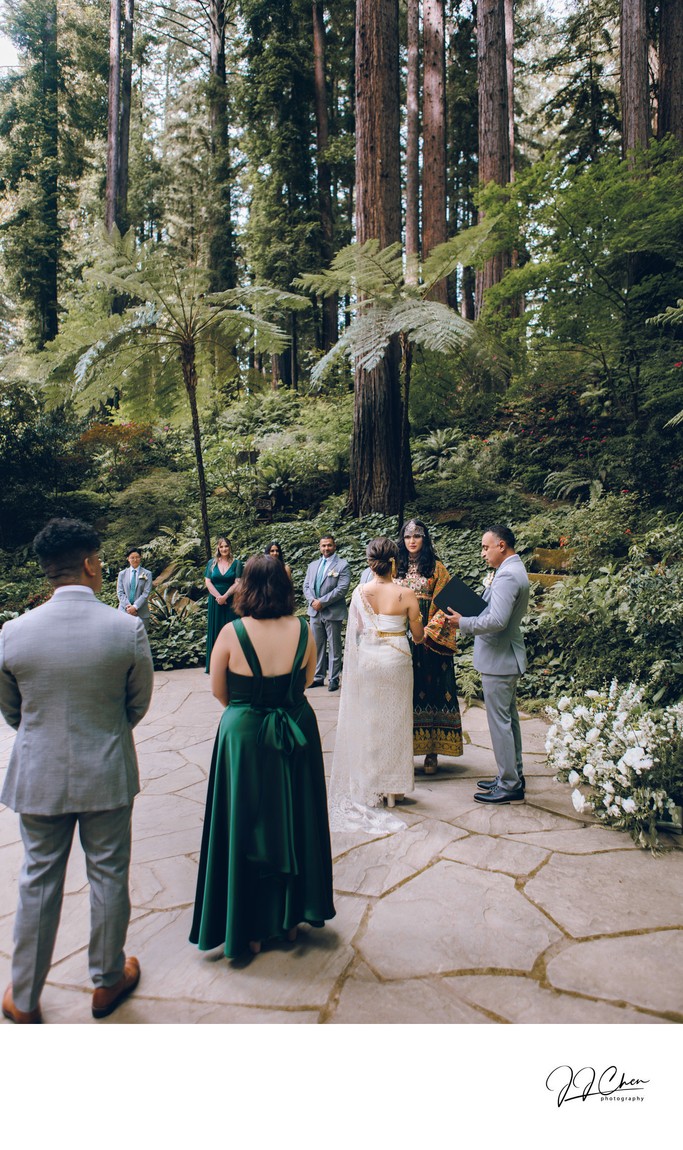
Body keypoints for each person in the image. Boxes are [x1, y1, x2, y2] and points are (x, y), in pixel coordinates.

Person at [0, 518, 154, 1023]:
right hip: (106, 770)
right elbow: (137, 704)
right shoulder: (125, 629)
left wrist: (43, 735)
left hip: (38, 774)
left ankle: (24, 998)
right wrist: (105, 731)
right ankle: (107, 982)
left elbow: (13, 711)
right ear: (89, 564)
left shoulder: (13, 633)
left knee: (37, 879)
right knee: (108, 875)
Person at [190, 554, 335, 958]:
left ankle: (249, 929)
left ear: (246, 587)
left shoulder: (231, 633)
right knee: (296, 818)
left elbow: (219, 691)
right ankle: (290, 921)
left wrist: (249, 710)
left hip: (244, 736)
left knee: (246, 823)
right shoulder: (303, 629)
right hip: (296, 729)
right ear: (285, 588)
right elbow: (306, 680)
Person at [328, 537, 424, 833]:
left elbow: (357, 630)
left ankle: (372, 785)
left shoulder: (360, 593)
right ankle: (394, 790)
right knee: (396, 723)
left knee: (370, 722)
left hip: (369, 662)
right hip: (396, 661)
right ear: (394, 561)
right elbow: (418, 636)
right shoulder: (406, 593)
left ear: (370, 563)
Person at [446, 524, 530, 805]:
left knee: (500, 724)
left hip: (499, 658)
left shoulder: (507, 575)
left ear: (501, 546)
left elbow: (497, 620)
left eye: (485, 547)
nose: (483, 553)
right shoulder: (511, 570)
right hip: (504, 656)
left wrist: (463, 622)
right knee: (509, 721)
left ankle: (509, 784)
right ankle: (513, 775)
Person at [394, 519, 464, 774]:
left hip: (430, 642)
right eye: (407, 536)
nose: (412, 541)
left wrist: (426, 632)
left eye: (417, 536)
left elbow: (448, 605)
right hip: (401, 638)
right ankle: (402, 752)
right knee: (404, 695)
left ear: (425, 539)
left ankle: (432, 752)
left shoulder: (437, 568)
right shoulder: (395, 567)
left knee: (432, 690)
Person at [302, 534, 351, 691]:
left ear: (334, 546)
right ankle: (318, 677)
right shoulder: (313, 565)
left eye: (329, 545)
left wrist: (322, 602)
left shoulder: (342, 565)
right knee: (317, 646)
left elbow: (342, 589)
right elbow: (306, 586)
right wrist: (312, 601)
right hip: (314, 612)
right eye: (323, 545)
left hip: (332, 611)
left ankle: (334, 678)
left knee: (334, 646)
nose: (326, 548)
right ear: (319, 547)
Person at [204, 536, 244, 672]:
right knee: (216, 630)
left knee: (232, 631)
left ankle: (233, 665)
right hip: (215, 602)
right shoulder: (211, 563)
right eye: (221, 546)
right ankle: (215, 665)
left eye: (226, 546)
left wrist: (225, 596)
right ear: (218, 548)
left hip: (231, 601)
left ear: (230, 547)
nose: (224, 549)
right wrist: (218, 597)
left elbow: (238, 582)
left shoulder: (237, 563)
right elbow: (208, 582)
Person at [117, 546, 153, 629]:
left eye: (137, 557)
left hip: (141, 612)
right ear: (128, 559)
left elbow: (146, 593)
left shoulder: (147, 574)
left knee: (141, 636)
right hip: (124, 611)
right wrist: (129, 607)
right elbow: (120, 592)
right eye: (132, 558)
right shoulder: (122, 574)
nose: (135, 560)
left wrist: (135, 607)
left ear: (140, 558)